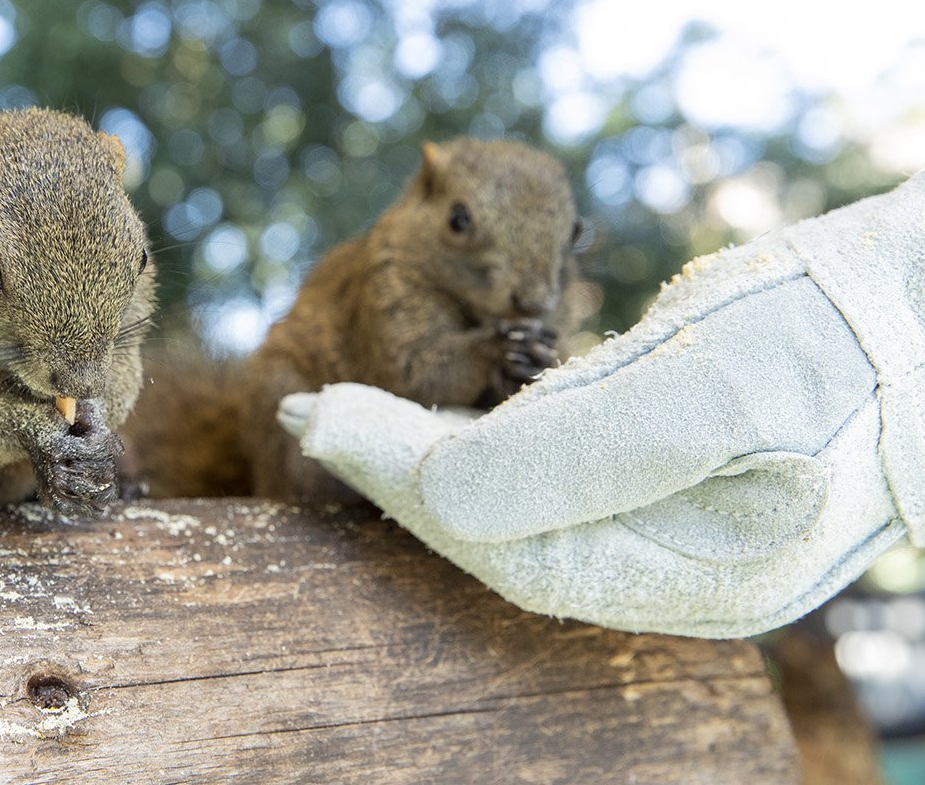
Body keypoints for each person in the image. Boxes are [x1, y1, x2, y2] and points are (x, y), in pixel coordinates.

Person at [278, 171, 925, 638]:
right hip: (309, 441)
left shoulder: (548, 300)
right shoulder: (391, 268)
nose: (529, 294)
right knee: (277, 396)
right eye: (463, 227)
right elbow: (409, 371)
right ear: (422, 195)